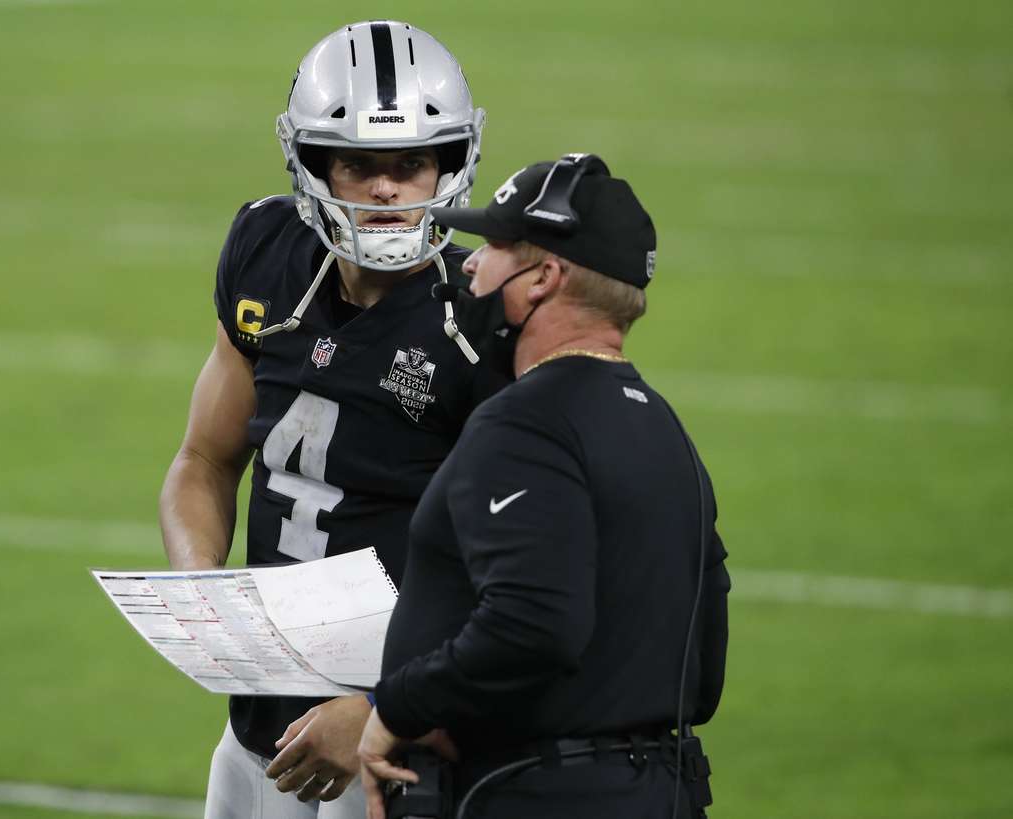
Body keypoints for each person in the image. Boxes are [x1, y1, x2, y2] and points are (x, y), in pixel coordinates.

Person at [158, 21, 501, 819]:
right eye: (358, 164)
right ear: (311, 163)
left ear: (450, 164)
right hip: (257, 735)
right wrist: (201, 586)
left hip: (392, 754)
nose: (385, 190)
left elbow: (513, 584)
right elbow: (203, 461)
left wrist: (388, 705)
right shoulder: (265, 252)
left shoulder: (480, 320)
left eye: (411, 164)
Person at [358, 153, 731, 819]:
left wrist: (400, 704)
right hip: (661, 791)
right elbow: (701, 671)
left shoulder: (521, 424)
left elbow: (533, 622)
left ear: (542, 279)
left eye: (497, 247)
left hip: (535, 793)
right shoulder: (665, 428)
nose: (470, 262)